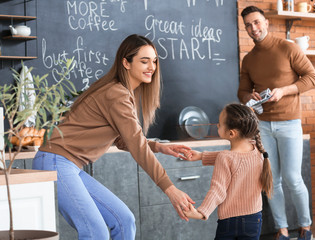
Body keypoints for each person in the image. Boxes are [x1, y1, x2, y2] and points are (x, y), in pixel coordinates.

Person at [32, 34, 195, 240]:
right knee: (95, 232)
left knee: (124, 220)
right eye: (144, 61)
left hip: (71, 166)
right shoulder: (116, 93)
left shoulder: (121, 92)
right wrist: (170, 189)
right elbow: (136, 145)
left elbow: (123, 140)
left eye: (154, 61)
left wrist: (160, 147)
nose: (151, 67)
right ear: (125, 63)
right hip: (56, 163)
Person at [238, 6, 315, 240]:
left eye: (257, 22)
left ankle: (305, 227)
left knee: (293, 179)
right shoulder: (249, 59)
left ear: (266, 22)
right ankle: (282, 230)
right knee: (272, 181)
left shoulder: (288, 48)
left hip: (290, 123)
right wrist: (248, 97)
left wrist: (284, 91)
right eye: (248, 25)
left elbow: (311, 78)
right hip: (262, 126)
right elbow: (242, 91)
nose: (253, 28)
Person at [183, 103, 273, 240]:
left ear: (231, 133)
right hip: (254, 219)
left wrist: (201, 212)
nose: (217, 125)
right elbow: (237, 160)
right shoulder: (259, 152)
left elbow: (217, 190)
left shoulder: (225, 158)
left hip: (230, 222)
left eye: (219, 124)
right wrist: (202, 156)